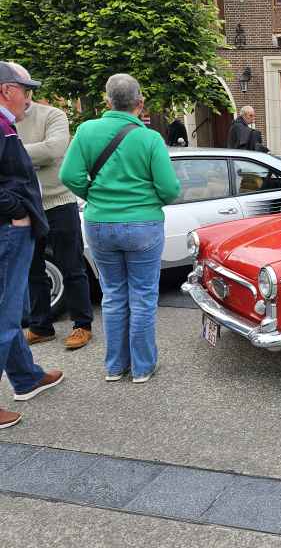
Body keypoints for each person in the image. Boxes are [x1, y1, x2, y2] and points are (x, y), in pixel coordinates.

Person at [60, 74, 180, 383]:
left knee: (112, 294)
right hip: (143, 224)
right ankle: (142, 367)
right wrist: (147, 201)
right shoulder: (150, 139)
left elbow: (69, 175)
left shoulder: (86, 131)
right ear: (140, 103)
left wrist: (94, 197)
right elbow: (169, 189)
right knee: (142, 296)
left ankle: (115, 367)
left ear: (107, 100)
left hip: (100, 222)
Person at [0, 61, 64, 429]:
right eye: (26, 90)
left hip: (12, 229)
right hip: (8, 230)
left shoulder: (6, 125)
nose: (29, 98)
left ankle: (26, 377)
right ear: (7, 90)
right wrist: (16, 211)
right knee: (5, 314)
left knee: (13, 308)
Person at [16, 91, 94, 350]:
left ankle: (82, 325)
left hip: (59, 202)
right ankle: (41, 327)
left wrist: (11, 153)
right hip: (25, 205)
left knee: (72, 266)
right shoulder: (6, 120)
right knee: (32, 270)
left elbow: (53, 150)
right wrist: (31, 156)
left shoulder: (53, 115)